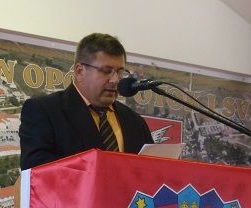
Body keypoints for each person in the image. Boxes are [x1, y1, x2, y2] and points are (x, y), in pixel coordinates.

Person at [19, 33, 153, 170]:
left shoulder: (135, 122)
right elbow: (36, 170)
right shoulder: (44, 111)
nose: (115, 80)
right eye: (106, 71)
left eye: (119, 72)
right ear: (79, 71)